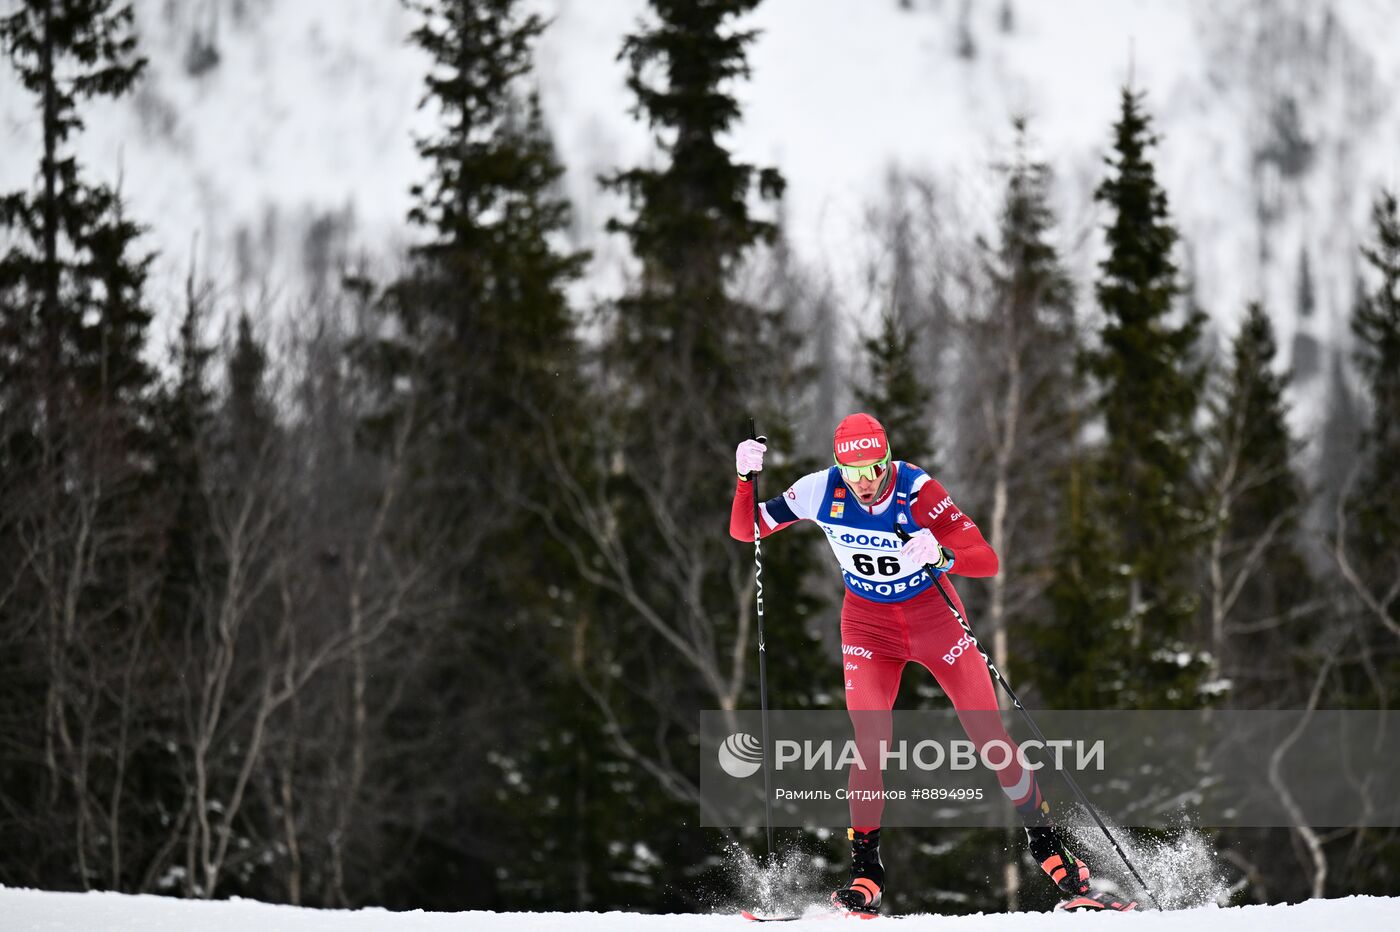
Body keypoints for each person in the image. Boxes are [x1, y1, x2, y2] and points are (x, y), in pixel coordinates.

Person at [729, 413, 1129, 914]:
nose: (865, 483)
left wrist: (941, 553)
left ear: (888, 460)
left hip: (934, 620)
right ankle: (865, 873)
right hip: (868, 628)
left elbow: (986, 558)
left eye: (875, 469)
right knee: (870, 742)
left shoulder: (917, 490)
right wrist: (745, 480)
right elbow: (746, 530)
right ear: (839, 468)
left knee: (989, 738)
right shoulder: (817, 491)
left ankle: (1049, 846)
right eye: (853, 473)